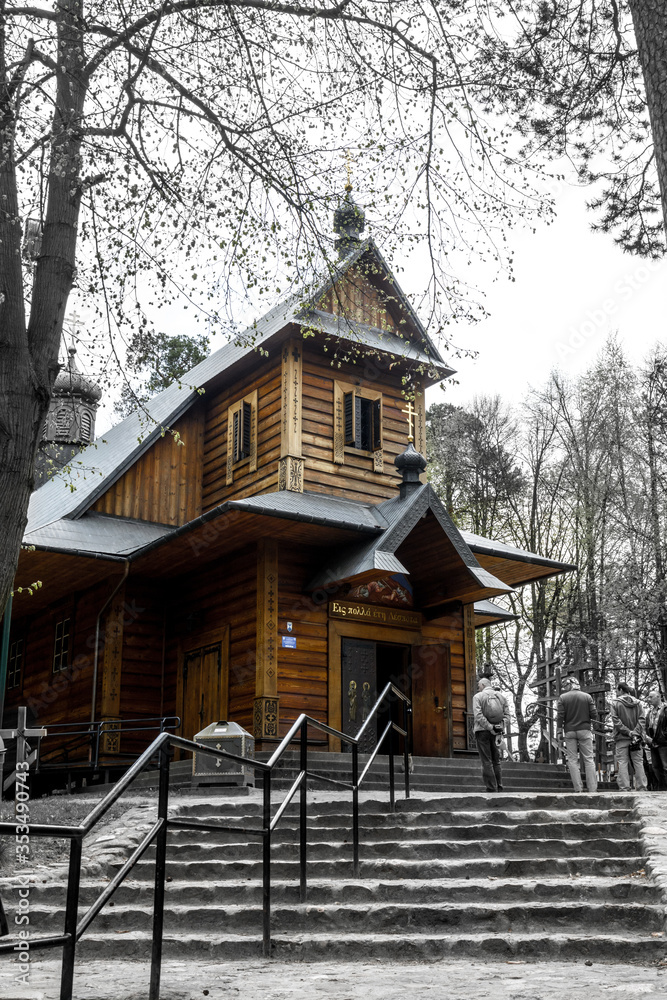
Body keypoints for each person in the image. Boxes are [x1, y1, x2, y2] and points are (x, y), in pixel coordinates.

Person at [556, 676, 598, 792]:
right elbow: (594, 715)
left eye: (565, 686)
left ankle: (578, 789)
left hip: (569, 731)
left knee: (572, 760)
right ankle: (592, 789)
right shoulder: (587, 697)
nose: (565, 688)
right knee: (589, 759)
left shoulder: (563, 698)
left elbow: (560, 716)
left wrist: (559, 731)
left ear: (570, 685)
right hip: (585, 730)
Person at [472, 677, 510, 792]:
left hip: (482, 731)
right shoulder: (501, 697)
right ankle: (499, 786)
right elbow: (507, 715)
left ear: (483, 685)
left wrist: (489, 727)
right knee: (496, 760)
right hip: (497, 731)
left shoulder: (478, 696)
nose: (478, 688)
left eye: (479, 686)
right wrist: (499, 727)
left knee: (486, 761)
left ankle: (491, 788)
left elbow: (478, 715)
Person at [611, 681, 647, 791]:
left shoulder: (615, 703)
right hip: (636, 739)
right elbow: (642, 719)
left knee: (622, 762)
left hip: (622, 738)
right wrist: (635, 732)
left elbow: (616, 721)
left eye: (616, 690)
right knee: (638, 761)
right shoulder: (638, 703)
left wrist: (628, 732)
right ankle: (641, 787)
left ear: (621, 690)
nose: (616, 692)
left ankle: (624, 787)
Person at [645, 688, 667, 791]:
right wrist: (648, 738)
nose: (649, 699)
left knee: (665, 766)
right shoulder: (650, 712)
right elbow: (647, 726)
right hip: (653, 743)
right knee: (655, 767)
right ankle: (662, 789)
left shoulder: (665, 709)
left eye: (651, 697)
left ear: (658, 697)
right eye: (648, 697)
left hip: (664, 743)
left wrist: (663, 738)